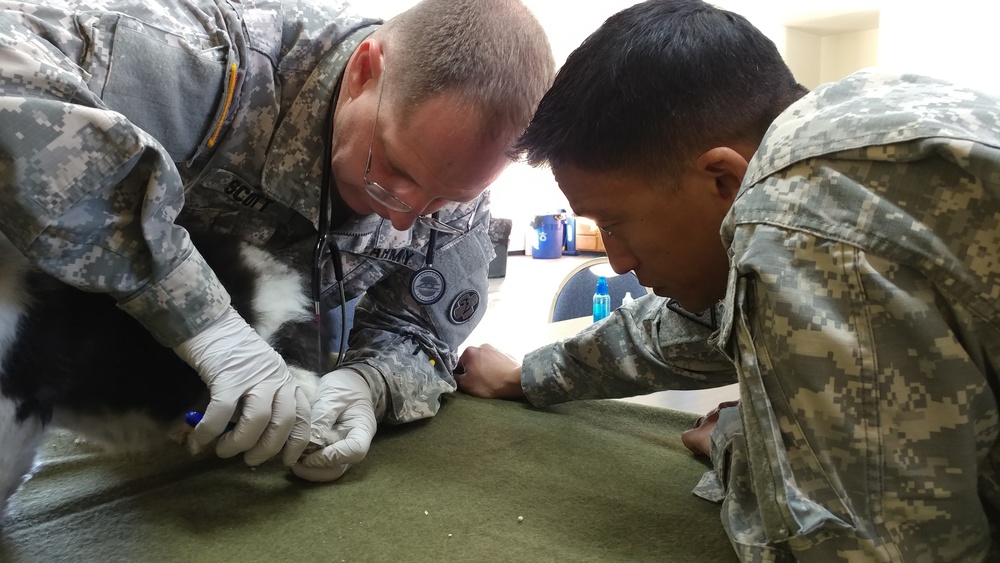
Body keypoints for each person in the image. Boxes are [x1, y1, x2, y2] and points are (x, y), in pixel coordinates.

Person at [455, 0, 1000, 560]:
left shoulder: (797, 226)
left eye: (614, 225)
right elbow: (702, 324)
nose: (615, 261)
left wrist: (743, 449)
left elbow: (870, 549)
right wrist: (530, 376)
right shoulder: (856, 123)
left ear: (722, 179)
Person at [0, 0, 554, 482]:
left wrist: (367, 384)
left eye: (443, 198)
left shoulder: (455, 189)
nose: (407, 217)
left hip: (275, 346)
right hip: (70, 345)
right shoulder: (201, 58)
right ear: (365, 72)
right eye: (393, 169)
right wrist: (203, 320)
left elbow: (419, 327)